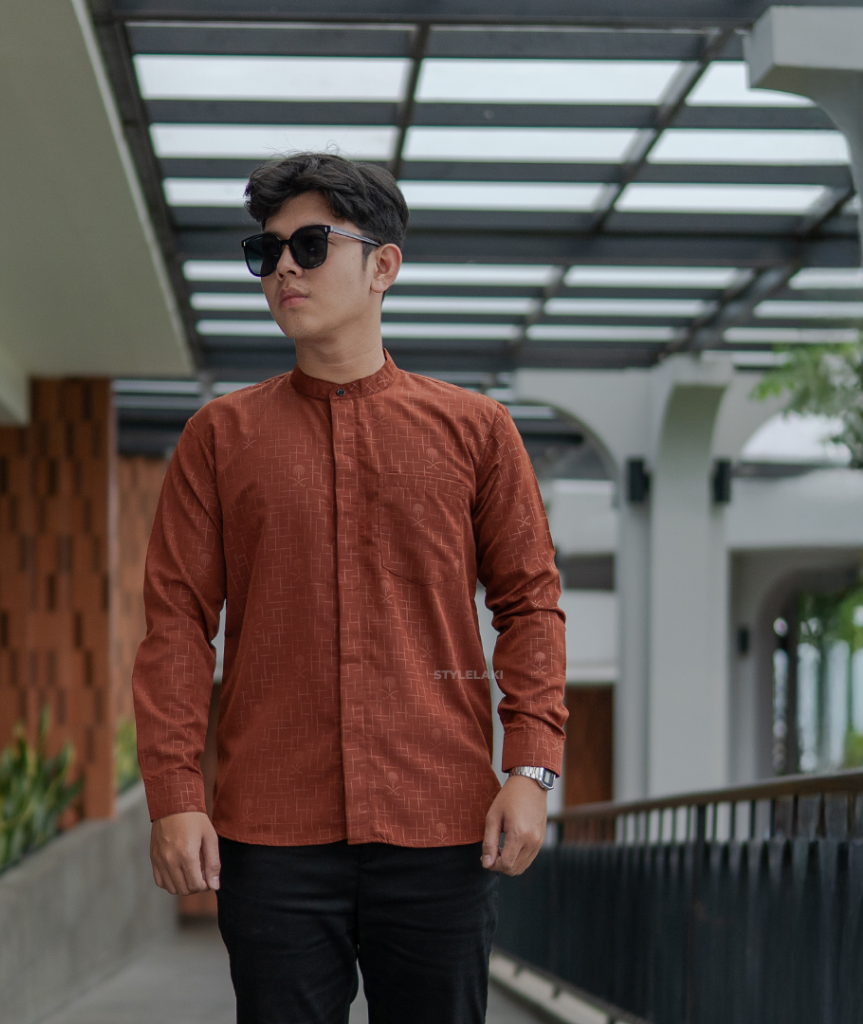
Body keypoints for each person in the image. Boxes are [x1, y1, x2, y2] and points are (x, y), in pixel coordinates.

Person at [132, 152, 567, 1024]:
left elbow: (528, 604)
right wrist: (175, 796)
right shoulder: (219, 437)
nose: (284, 269)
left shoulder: (478, 431)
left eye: (311, 245)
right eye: (267, 252)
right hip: (271, 833)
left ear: (383, 266)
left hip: (440, 823)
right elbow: (176, 623)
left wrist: (530, 768)